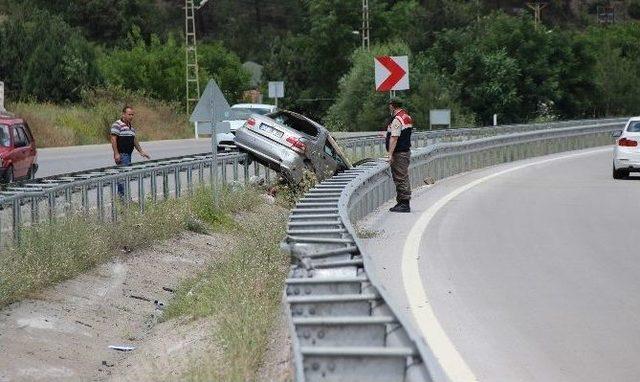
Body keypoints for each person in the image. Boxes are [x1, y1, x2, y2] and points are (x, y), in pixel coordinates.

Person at [110, 106, 150, 198]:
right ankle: (123, 199)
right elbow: (113, 139)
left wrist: (141, 151)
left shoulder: (131, 127)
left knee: (126, 176)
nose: (131, 116)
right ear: (123, 114)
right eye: (129, 114)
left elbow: (134, 140)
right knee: (123, 177)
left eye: (132, 115)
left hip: (128, 155)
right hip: (122, 154)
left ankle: (124, 198)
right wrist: (116, 153)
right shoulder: (117, 124)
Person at [385, 98, 413, 213]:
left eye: (389, 105)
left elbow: (394, 138)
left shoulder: (397, 119)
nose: (389, 107)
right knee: (403, 176)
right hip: (405, 151)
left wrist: (390, 154)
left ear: (392, 106)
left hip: (399, 153)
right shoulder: (406, 116)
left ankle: (404, 204)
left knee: (400, 178)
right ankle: (401, 202)